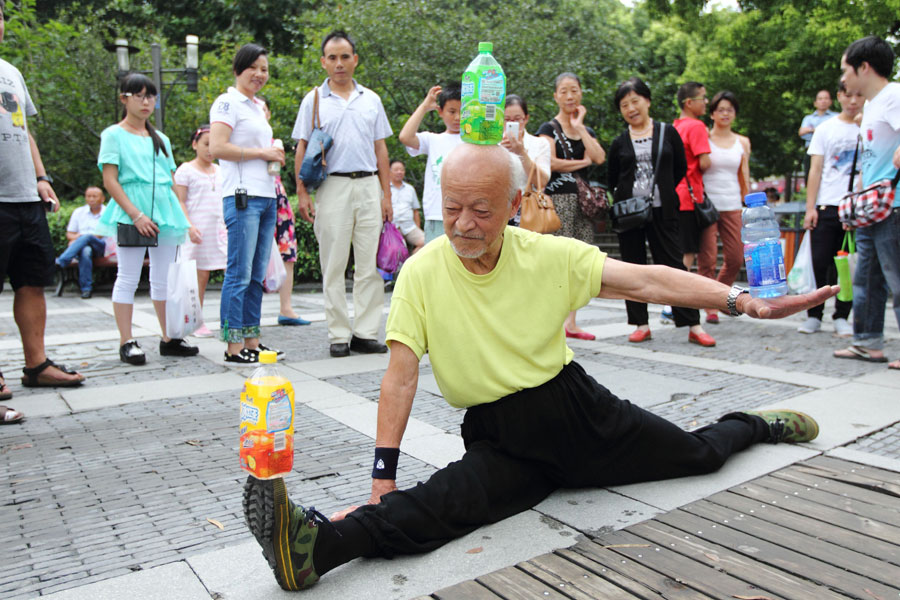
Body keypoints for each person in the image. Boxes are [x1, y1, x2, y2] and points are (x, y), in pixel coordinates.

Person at [242, 143, 836, 592]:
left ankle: (759, 425)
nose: (464, 225)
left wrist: (742, 301)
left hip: (579, 414)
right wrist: (381, 476)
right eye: (451, 209)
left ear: (515, 205)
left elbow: (649, 278)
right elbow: (400, 375)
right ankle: (315, 547)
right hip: (500, 435)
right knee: (440, 505)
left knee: (697, 454)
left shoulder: (548, 254)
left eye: (481, 209)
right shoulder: (423, 272)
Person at [0, 0, 84, 421]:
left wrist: (42, 176)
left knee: (31, 281)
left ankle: (37, 365)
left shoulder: (11, 72)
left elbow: (23, 128)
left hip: (22, 197)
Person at [291, 30, 393, 358]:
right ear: (323, 62)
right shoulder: (314, 100)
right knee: (333, 264)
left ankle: (365, 332)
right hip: (331, 186)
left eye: (345, 57)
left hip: (367, 185)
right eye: (332, 58)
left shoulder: (371, 99)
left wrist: (386, 194)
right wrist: (302, 192)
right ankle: (338, 334)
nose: (339, 64)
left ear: (355, 59)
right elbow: (302, 147)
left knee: (369, 265)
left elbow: (381, 149)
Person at [97, 73, 198, 366]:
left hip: (164, 213)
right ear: (124, 98)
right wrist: (136, 215)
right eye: (139, 95)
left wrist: (184, 219)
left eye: (150, 96)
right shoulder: (113, 134)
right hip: (132, 211)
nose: (145, 101)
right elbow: (110, 181)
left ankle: (170, 337)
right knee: (128, 276)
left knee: (163, 278)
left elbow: (170, 181)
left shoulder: (161, 138)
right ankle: (126, 341)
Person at [607, 77, 715, 347]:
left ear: (647, 101)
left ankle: (693, 324)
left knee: (675, 267)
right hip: (630, 214)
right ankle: (641, 324)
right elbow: (612, 178)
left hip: (664, 210)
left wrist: (661, 192)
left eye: (635, 101)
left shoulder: (668, 132)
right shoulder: (619, 142)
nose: (631, 108)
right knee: (632, 269)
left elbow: (679, 168)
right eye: (624, 105)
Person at [210, 43, 285, 364]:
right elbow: (217, 147)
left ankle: (252, 341)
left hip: (266, 196)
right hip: (242, 197)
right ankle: (232, 345)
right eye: (253, 67)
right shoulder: (228, 103)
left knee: (256, 274)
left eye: (265, 69)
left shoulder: (257, 107)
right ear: (239, 69)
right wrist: (262, 153)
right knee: (238, 273)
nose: (260, 74)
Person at [834, 36, 900, 370]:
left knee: (897, 277)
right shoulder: (872, 105)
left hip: (895, 207)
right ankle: (867, 342)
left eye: (846, 69)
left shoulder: (894, 96)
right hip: (871, 207)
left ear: (864, 67)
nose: (843, 77)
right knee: (867, 278)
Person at [537, 72, 606, 340]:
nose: (569, 96)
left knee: (580, 260)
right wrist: (582, 162)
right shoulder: (547, 128)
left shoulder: (584, 130)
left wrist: (579, 128)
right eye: (564, 91)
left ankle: (571, 322)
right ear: (555, 96)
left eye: (574, 90)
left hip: (584, 203)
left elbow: (599, 157)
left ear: (581, 94)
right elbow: (550, 162)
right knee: (557, 260)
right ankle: (552, 320)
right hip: (558, 201)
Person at [798, 82, 862, 337]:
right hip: (826, 205)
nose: (854, 100)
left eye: (859, 95)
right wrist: (810, 207)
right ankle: (814, 314)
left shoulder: (868, 129)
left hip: (856, 208)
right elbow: (815, 170)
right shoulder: (825, 129)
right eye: (848, 95)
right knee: (820, 262)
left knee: (846, 266)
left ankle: (842, 315)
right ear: (839, 97)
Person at [698, 91, 751, 324]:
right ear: (712, 113)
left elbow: (744, 175)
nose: (725, 113)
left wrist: (748, 202)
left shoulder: (743, 142)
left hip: (732, 205)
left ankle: (720, 297)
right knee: (707, 258)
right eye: (720, 109)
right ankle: (710, 304)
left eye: (730, 109)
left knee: (736, 256)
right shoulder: (704, 138)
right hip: (707, 205)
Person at [259, 97, 310, 327]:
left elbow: (276, 163)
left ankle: (286, 308)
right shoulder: (238, 140)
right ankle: (250, 313)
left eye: (264, 108)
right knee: (253, 255)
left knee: (287, 252)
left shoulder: (275, 141)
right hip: (254, 197)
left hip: (277, 199)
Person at [173, 125, 227, 338]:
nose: (209, 150)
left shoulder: (222, 170)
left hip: (219, 230)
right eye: (205, 144)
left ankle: (230, 319)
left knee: (229, 273)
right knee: (198, 277)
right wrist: (189, 226)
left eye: (212, 145)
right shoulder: (185, 170)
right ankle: (195, 320)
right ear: (195, 144)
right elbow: (180, 201)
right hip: (196, 230)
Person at [398, 83, 462, 244]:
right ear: (440, 112)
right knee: (435, 264)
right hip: (437, 214)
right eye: (452, 111)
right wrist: (425, 106)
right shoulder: (433, 139)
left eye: (463, 112)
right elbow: (405, 137)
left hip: (466, 215)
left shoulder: (477, 142)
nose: (458, 118)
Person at [674, 81, 711, 276]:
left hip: (674, 195)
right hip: (690, 198)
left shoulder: (674, 126)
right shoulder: (696, 126)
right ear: (689, 102)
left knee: (677, 250)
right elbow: (704, 162)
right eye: (702, 98)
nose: (706, 102)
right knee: (688, 253)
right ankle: (676, 301)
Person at [501, 94, 551, 226]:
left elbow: (542, 181)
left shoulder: (540, 144)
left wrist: (521, 152)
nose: (512, 123)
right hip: (497, 205)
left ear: (526, 118)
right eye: (507, 119)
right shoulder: (492, 144)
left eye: (518, 119)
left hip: (527, 209)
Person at [55, 186, 107, 299]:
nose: (91, 199)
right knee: (85, 251)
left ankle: (63, 259)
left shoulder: (107, 213)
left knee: (88, 237)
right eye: (88, 196)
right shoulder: (79, 212)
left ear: (102, 198)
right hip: (84, 247)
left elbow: (101, 234)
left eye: (94, 196)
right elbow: (69, 234)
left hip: (102, 247)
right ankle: (86, 289)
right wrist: (79, 238)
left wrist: (80, 238)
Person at [798, 90, 837, 183]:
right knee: (811, 179)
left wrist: (813, 129)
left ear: (830, 102)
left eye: (826, 98)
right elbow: (802, 132)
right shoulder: (808, 118)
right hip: (811, 152)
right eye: (820, 99)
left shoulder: (836, 117)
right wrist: (820, 130)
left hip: (829, 152)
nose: (823, 101)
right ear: (815, 103)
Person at [388, 159, 424, 254]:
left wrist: (418, 228)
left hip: (409, 226)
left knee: (426, 242)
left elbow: (415, 211)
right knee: (397, 249)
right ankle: (400, 268)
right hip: (392, 227)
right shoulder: (385, 189)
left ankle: (410, 264)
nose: (399, 172)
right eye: (396, 170)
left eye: (402, 170)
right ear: (389, 171)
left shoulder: (410, 189)